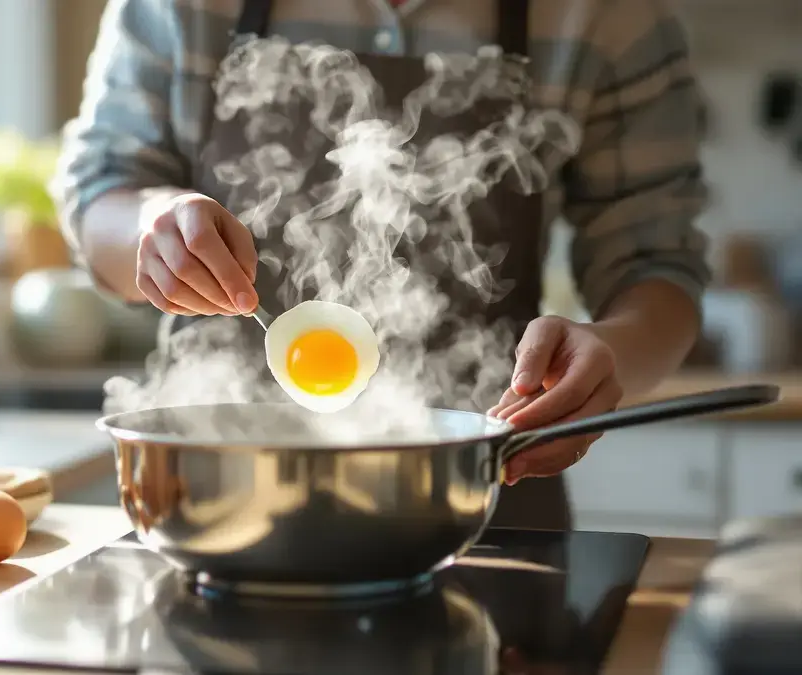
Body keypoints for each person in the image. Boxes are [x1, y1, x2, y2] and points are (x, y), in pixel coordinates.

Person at [50, 0, 709, 530]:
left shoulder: (611, 14)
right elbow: (97, 193)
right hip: (214, 509)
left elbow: (657, 267)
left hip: (478, 511)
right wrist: (148, 222)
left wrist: (610, 353)